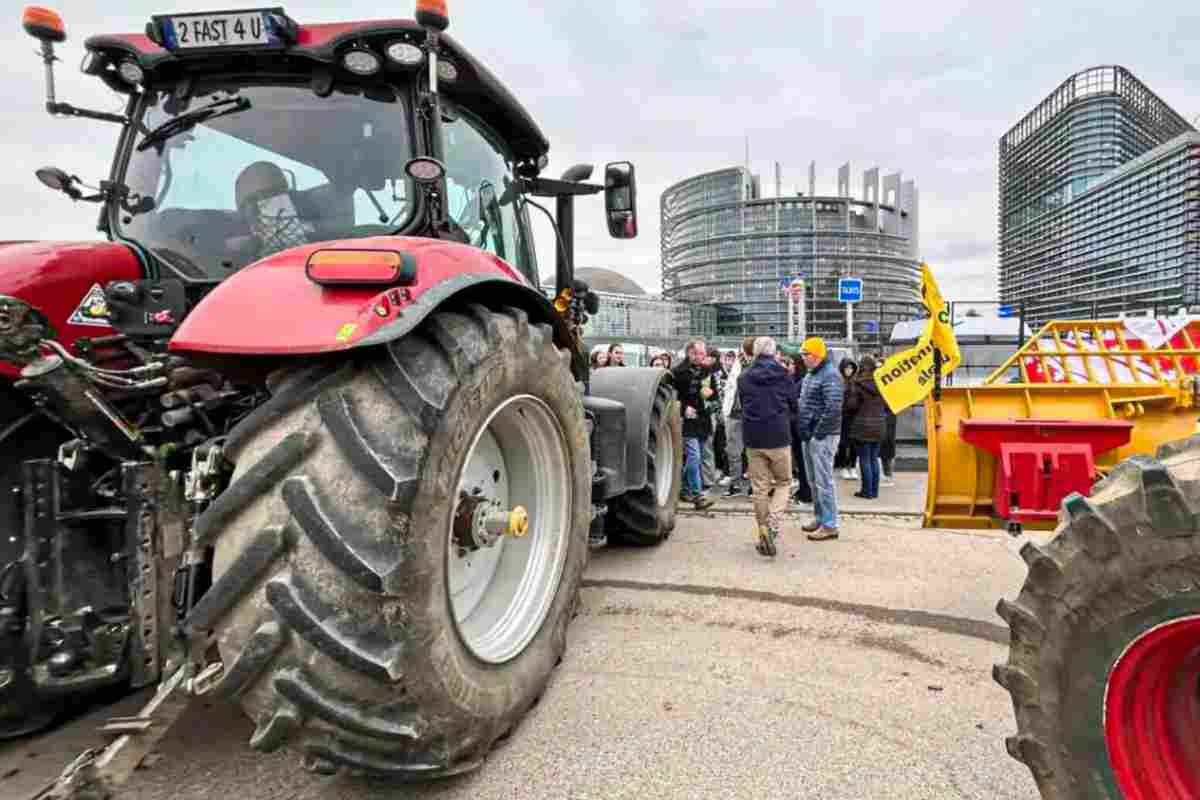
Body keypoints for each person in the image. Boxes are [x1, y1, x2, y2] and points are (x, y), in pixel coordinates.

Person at [738, 336, 796, 557]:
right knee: (784, 482)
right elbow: (793, 404)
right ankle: (772, 525)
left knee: (760, 488)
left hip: (754, 437)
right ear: (774, 353)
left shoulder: (744, 377)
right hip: (779, 436)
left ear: (754, 352)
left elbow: (744, 404)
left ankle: (762, 528)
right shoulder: (784, 375)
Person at [797, 336, 843, 541]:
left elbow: (833, 408)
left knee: (823, 481)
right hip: (812, 434)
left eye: (804, 354)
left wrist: (817, 433)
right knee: (813, 480)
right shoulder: (812, 373)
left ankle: (830, 524)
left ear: (815, 355)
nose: (802, 358)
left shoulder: (830, 375)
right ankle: (821, 517)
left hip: (822, 436)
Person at [672, 338, 716, 510]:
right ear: (689, 353)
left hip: (703, 419)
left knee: (696, 457)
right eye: (697, 353)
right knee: (694, 457)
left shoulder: (707, 370)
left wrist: (710, 396)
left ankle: (683, 489)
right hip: (687, 421)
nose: (700, 356)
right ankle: (698, 495)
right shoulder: (677, 372)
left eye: (702, 353)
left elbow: (715, 398)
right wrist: (683, 409)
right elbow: (672, 397)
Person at [845, 355, 887, 499]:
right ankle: (874, 491)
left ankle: (866, 491)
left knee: (864, 458)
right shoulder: (882, 383)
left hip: (862, 426)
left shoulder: (857, 384)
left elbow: (851, 406)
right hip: (879, 424)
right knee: (874, 458)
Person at [721, 337, 755, 497]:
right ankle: (736, 484)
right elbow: (730, 388)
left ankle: (752, 485)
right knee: (734, 452)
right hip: (735, 413)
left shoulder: (756, 366)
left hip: (751, 415)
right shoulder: (738, 364)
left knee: (752, 452)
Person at [786, 355, 813, 506]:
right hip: (797, 426)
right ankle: (804, 489)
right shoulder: (797, 380)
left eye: (790, 364)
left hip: (800, 427)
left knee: (803, 462)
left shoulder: (802, 382)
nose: (788, 367)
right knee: (801, 461)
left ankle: (806, 492)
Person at [701, 346, 725, 488]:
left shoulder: (712, 374)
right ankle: (707, 477)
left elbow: (716, 396)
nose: (703, 359)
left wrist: (716, 413)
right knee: (706, 447)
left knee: (707, 446)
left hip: (709, 414)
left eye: (705, 356)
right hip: (709, 414)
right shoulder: (707, 372)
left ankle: (708, 478)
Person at [834, 357, 860, 480]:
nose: (849, 370)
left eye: (851, 368)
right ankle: (843, 466)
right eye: (847, 368)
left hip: (854, 417)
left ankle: (853, 466)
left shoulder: (856, 382)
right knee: (843, 443)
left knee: (854, 443)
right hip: (842, 417)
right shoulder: (838, 381)